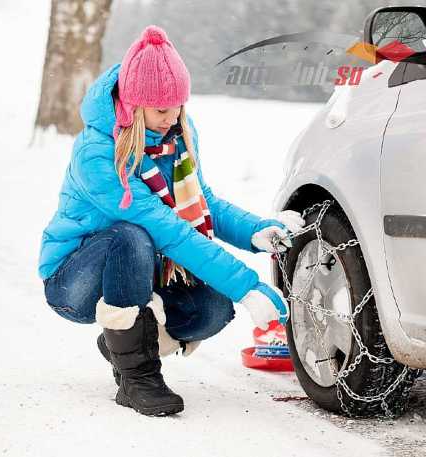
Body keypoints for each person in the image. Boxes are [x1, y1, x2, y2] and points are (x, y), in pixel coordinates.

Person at [38, 25, 305, 417]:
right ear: (132, 105)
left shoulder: (178, 133)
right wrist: (246, 285)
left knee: (213, 307)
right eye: (161, 109)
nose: (172, 117)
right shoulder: (99, 154)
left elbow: (204, 202)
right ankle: (138, 378)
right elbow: (166, 227)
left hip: (141, 272)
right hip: (75, 280)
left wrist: (254, 231)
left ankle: (124, 342)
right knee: (130, 236)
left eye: (178, 105)